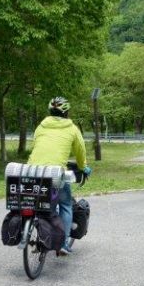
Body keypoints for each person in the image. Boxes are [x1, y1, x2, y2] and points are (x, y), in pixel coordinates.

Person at [27, 96, 92, 256]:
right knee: (65, 204)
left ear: (50, 111)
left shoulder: (41, 127)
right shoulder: (72, 129)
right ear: (67, 112)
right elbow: (80, 151)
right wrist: (83, 167)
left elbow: (34, 146)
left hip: (33, 171)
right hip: (56, 173)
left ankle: (40, 234)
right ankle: (62, 244)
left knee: (40, 202)